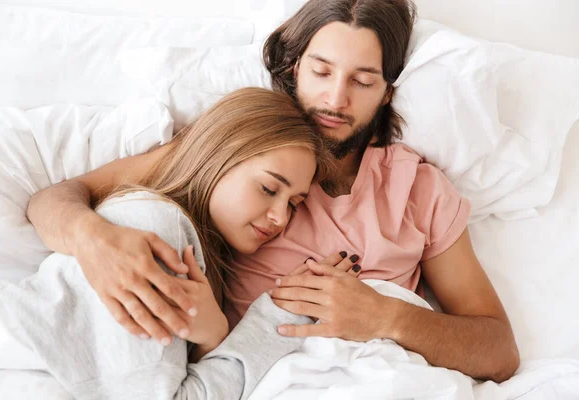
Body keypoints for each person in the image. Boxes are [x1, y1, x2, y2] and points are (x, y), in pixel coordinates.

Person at [26, 0, 520, 383]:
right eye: (321, 71)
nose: (335, 98)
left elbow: (498, 351)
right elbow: (56, 198)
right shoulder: (239, 151)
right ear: (294, 69)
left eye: (362, 81)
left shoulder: (418, 189)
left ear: (387, 92)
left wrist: (385, 316)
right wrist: (95, 241)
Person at [0, 87, 342, 399]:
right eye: (268, 188)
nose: (281, 217)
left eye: (293, 203)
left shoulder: (191, 252)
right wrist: (278, 317)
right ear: (217, 158)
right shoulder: (156, 230)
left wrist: (212, 338)